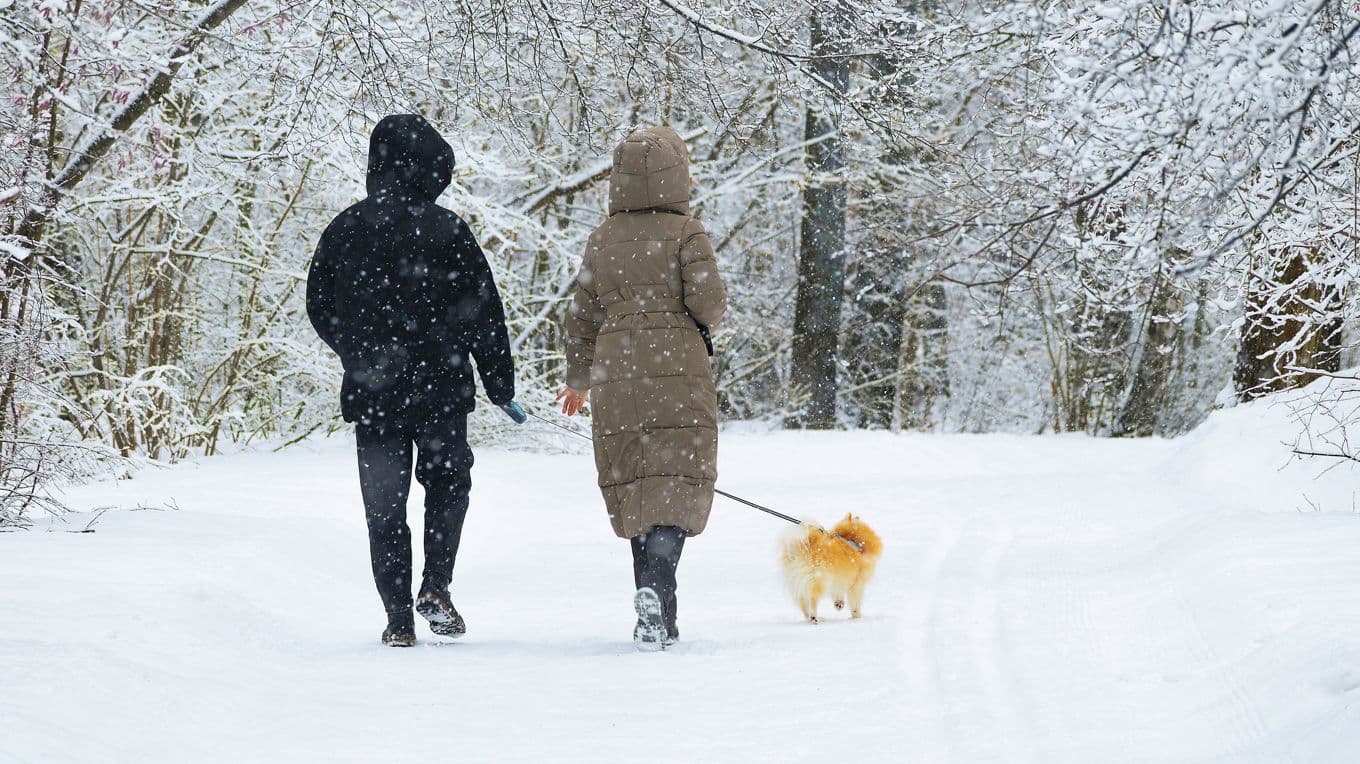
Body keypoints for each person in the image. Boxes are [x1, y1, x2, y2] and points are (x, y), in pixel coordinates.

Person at [306, 114, 526, 647]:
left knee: (384, 505)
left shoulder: (345, 229)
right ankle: (435, 586)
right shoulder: (448, 230)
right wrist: (500, 386)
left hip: (374, 396)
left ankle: (398, 619)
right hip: (441, 391)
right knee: (448, 486)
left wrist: (358, 354)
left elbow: (318, 305)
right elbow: (483, 313)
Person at [559, 126, 727, 651]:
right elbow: (709, 304)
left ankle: (651, 603)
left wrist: (578, 380)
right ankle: (659, 590)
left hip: (617, 369)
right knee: (675, 479)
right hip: (677, 365)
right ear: (676, 173)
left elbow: (581, 316)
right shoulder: (687, 231)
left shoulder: (602, 237)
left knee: (635, 479)